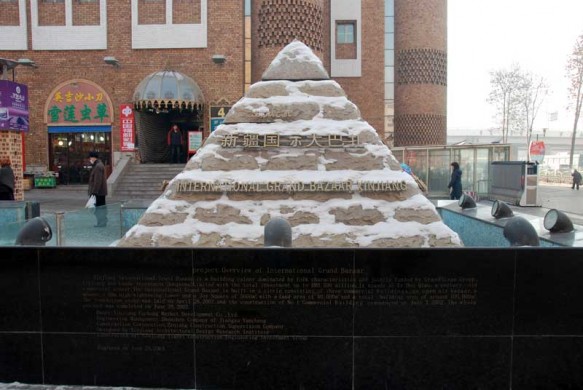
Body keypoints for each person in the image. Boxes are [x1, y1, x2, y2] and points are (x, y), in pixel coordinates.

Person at [87, 151, 108, 227]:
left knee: (99, 208)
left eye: (90, 158)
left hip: (99, 192)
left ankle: (101, 222)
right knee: (100, 208)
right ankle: (102, 221)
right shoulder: (98, 165)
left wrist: (94, 192)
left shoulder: (98, 166)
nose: (90, 159)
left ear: (93, 157)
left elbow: (97, 181)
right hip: (100, 192)